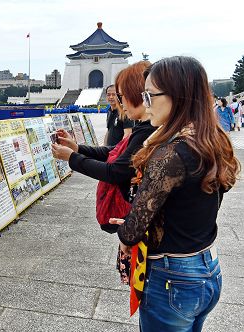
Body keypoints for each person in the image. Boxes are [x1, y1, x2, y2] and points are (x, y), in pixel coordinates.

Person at [110, 56, 240, 332]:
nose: (146, 103)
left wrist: (125, 237)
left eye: (150, 95)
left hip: (172, 278)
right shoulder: (210, 141)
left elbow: (133, 231)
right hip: (207, 269)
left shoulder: (170, 154)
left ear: (177, 96)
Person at [51, 61, 156, 232]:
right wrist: (77, 148)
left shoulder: (148, 131)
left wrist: (72, 157)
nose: (120, 103)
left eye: (121, 96)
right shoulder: (144, 127)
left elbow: (115, 172)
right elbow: (115, 150)